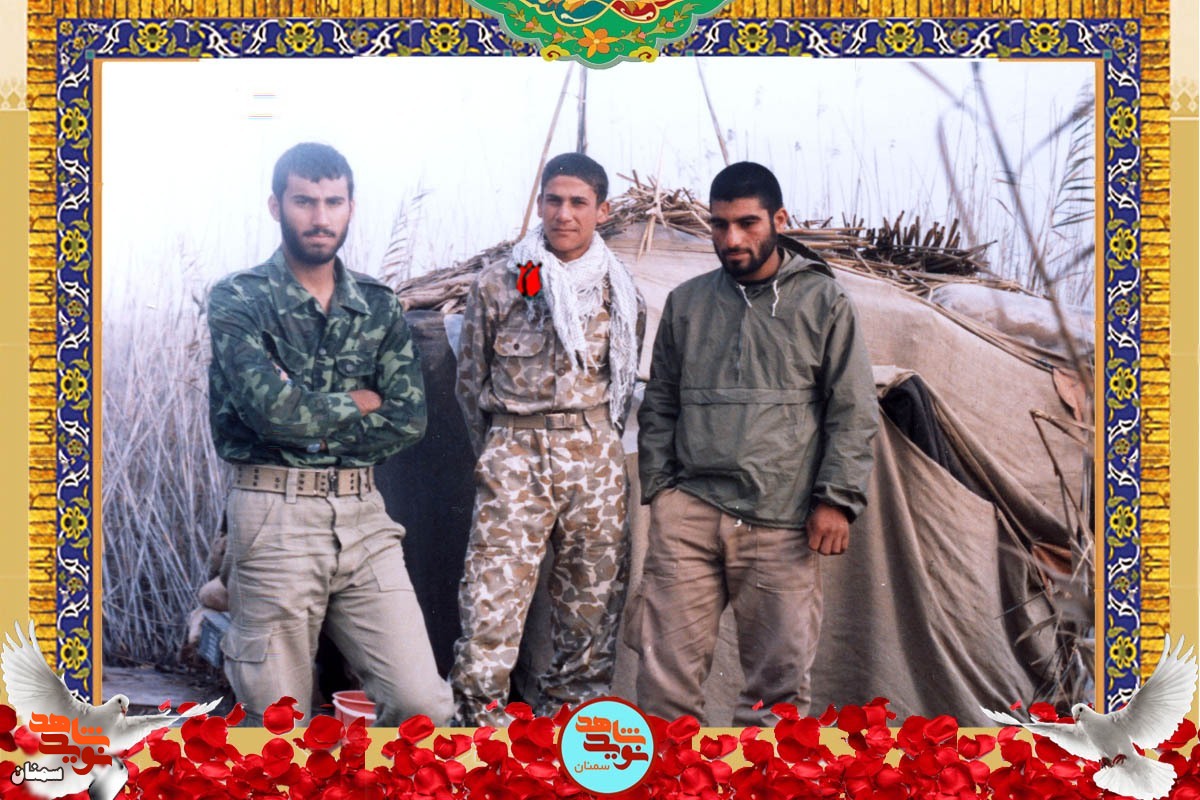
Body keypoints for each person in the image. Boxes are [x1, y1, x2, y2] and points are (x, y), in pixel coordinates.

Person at [207, 142, 454, 727]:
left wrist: (309, 420)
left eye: (333, 202)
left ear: (350, 207)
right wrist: (359, 401)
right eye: (304, 201)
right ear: (276, 206)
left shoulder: (377, 305)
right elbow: (273, 415)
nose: (320, 217)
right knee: (278, 721)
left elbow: (408, 419)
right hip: (274, 515)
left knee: (421, 704)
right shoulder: (240, 298)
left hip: (364, 516)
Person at [629, 161, 878, 726]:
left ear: (778, 220)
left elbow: (853, 409)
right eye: (720, 225)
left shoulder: (823, 301)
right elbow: (660, 401)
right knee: (664, 685)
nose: (732, 239)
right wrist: (662, 492)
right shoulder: (687, 303)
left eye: (747, 223)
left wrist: (836, 500)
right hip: (689, 515)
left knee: (775, 693)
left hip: (780, 519)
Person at [452, 152, 646, 727]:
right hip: (516, 451)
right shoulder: (499, 284)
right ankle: (479, 739)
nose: (564, 214)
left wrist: (594, 444)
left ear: (602, 211)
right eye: (554, 200)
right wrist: (500, 452)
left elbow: (622, 385)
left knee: (591, 609)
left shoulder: (620, 290)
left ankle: (572, 736)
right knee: (490, 605)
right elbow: (470, 384)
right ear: (539, 204)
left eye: (578, 202)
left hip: (594, 456)